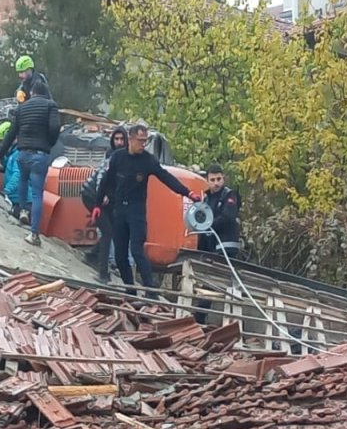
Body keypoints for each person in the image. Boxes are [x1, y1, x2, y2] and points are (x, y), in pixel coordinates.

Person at [95, 123, 202, 298]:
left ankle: (150, 291)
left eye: (145, 141)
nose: (143, 144)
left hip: (137, 211)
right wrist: (98, 205)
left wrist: (188, 193)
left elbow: (167, 178)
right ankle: (130, 289)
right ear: (130, 139)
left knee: (137, 250)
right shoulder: (117, 158)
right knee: (120, 256)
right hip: (120, 209)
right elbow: (106, 181)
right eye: (140, 141)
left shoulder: (148, 160)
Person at [0, 79, 60, 246]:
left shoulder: (21, 108)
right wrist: (49, 144)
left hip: (23, 153)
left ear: (31, 93)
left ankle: (23, 210)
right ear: (45, 93)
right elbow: (54, 129)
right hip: (40, 155)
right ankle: (34, 234)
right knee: (38, 193)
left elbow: (11, 134)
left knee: (23, 180)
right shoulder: (50, 106)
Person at [192, 164, 243, 323]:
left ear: (223, 178)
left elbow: (228, 217)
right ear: (207, 180)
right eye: (212, 180)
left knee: (213, 280)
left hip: (226, 246)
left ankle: (201, 314)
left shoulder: (229, 195)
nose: (216, 183)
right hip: (211, 247)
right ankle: (202, 313)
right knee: (209, 279)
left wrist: (209, 224)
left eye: (219, 179)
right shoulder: (207, 198)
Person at [80, 126, 128, 283]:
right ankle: (102, 273)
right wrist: (104, 195)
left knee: (111, 230)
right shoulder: (112, 156)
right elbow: (102, 176)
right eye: (116, 139)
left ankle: (92, 255)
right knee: (107, 232)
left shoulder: (126, 158)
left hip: (107, 201)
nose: (119, 142)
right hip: (92, 196)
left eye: (122, 139)